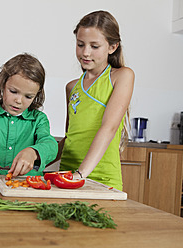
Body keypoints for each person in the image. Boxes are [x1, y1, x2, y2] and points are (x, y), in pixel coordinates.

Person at [58, 10, 135, 190]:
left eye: (94, 46)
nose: (85, 52)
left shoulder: (122, 76)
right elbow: (70, 137)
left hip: (103, 179)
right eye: (80, 44)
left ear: (112, 47)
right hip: (67, 175)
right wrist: (36, 158)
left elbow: (109, 127)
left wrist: (80, 174)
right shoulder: (71, 87)